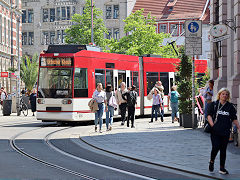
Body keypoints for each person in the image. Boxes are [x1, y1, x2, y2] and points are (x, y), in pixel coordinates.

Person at [207, 88, 240, 175]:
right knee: (215, 147)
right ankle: (211, 161)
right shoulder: (214, 104)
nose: (225, 96)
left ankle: (222, 168)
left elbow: (234, 118)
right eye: (223, 94)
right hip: (215, 131)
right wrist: (213, 125)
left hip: (225, 131)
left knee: (223, 149)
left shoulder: (230, 106)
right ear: (219, 95)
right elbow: (209, 116)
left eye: (226, 94)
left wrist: (238, 127)